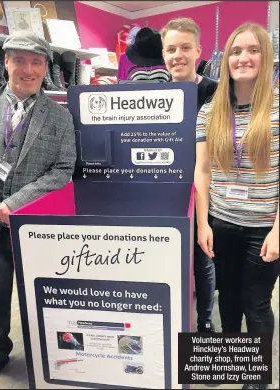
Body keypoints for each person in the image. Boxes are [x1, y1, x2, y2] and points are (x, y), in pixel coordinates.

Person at [0, 31, 76, 380]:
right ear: (5, 62)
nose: (28, 69)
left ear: (45, 67)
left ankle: (47, 354)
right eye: (19, 60)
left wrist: (15, 203)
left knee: (39, 297)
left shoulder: (60, 116)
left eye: (36, 62)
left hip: (37, 227)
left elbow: (63, 170)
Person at [195, 23, 279, 390]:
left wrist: (279, 230)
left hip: (264, 228)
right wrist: (203, 224)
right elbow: (202, 171)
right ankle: (232, 363)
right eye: (235, 51)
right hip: (221, 222)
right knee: (225, 296)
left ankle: (256, 381)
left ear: (266, 56)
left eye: (252, 50)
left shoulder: (276, 110)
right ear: (225, 59)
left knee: (256, 302)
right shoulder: (211, 112)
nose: (243, 58)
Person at [161, 18, 218, 332]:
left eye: (185, 47)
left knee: (203, 260)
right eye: (171, 49)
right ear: (163, 54)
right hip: (168, 193)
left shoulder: (216, 93)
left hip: (205, 194)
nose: (177, 55)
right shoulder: (156, 97)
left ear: (198, 50)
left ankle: (205, 323)